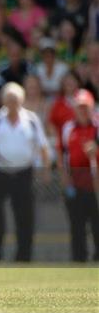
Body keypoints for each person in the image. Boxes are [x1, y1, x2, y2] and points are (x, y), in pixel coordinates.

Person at [0, 82, 50, 262]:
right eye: (9, 99)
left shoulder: (31, 119)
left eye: (15, 100)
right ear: (3, 101)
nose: (12, 103)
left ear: (21, 100)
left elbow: (43, 147)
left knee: (25, 217)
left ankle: (24, 257)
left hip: (24, 173)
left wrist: (45, 170)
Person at [59, 89, 99, 262]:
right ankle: (79, 260)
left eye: (86, 106)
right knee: (77, 225)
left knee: (97, 225)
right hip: (75, 183)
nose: (82, 110)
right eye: (79, 107)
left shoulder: (98, 127)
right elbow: (62, 154)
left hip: (95, 183)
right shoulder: (68, 128)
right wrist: (65, 179)